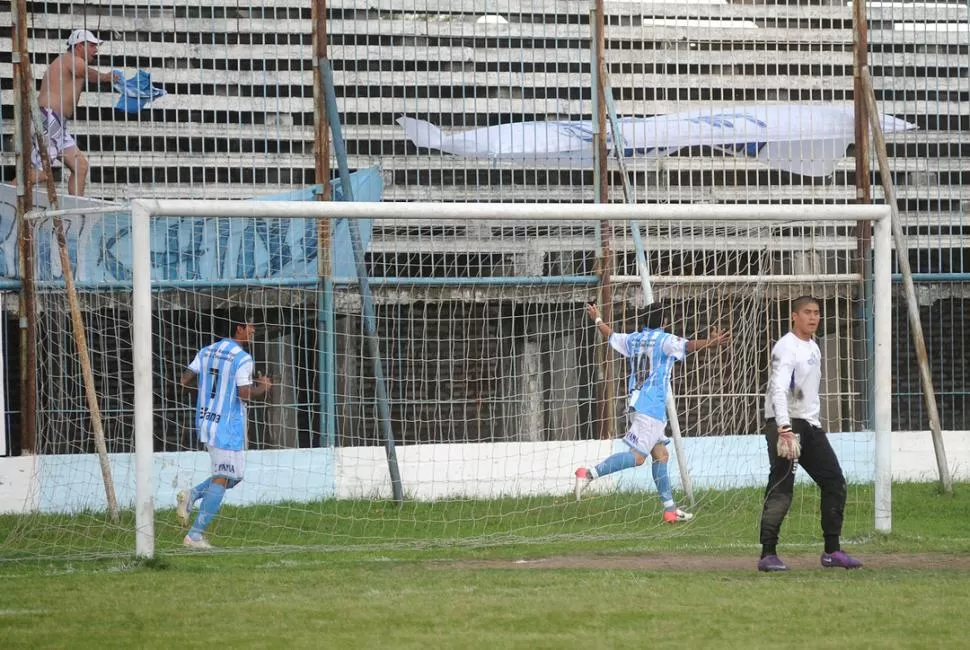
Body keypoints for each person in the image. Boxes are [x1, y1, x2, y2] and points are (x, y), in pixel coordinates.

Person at [575, 303, 731, 523]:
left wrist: (598, 319)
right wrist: (712, 342)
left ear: (644, 320)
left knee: (661, 456)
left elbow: (610, 335)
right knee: (638, 458)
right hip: (651, 407)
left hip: (636, 402)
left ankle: (669, 510)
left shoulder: (634, 339)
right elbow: (688, 346)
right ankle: (589, 473)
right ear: (665, 322)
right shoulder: (665, 340)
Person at [757, 296, 862, 572]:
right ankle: (768, 554)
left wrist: (808, 423)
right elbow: (778, 388)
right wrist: (784, 428)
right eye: (807, 312)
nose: (813, 318)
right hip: (786, 424)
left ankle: (832, 551)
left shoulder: (813, 347)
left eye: (816, 313)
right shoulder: (786, 346)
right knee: (781, 487)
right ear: (795, 316)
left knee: (834, 481)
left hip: (809, 424)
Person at [176, 312, 272, 549]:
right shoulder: (242, 358)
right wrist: (264, 387)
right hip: (227, 426)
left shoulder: (206, 350)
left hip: (206, 420)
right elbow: (245, 394)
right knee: (222, 478)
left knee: (234, 476)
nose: (253, 330)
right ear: (239, 328)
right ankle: (194, 536)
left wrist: (207, 397)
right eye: (250, 326)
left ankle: (193, 494)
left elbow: (184, 380)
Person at [31, 29, 122, 196]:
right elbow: (86, 72)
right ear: (80, 45)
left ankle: (77, 211)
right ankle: (4, 201)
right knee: (42, 172)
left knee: (80, 166)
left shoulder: (73, 62)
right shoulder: (70, 60)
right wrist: (107, 77)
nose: (96, 50)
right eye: (93, 45)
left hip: (58, 122)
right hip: (49, 118)